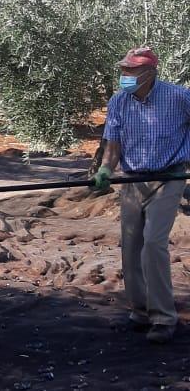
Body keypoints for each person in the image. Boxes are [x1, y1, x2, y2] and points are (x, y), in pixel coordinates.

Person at [92, 46, 190, 344]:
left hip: (169, 177)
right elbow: (113, 144)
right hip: (133, 180)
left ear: (149, 73)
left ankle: (163, 318)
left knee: (153, 244)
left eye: (130, 71)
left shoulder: (178, 97)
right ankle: (140, 310)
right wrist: (106, 170)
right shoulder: (119, 100)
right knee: (131, 246)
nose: (125, 76)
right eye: (123, 70)